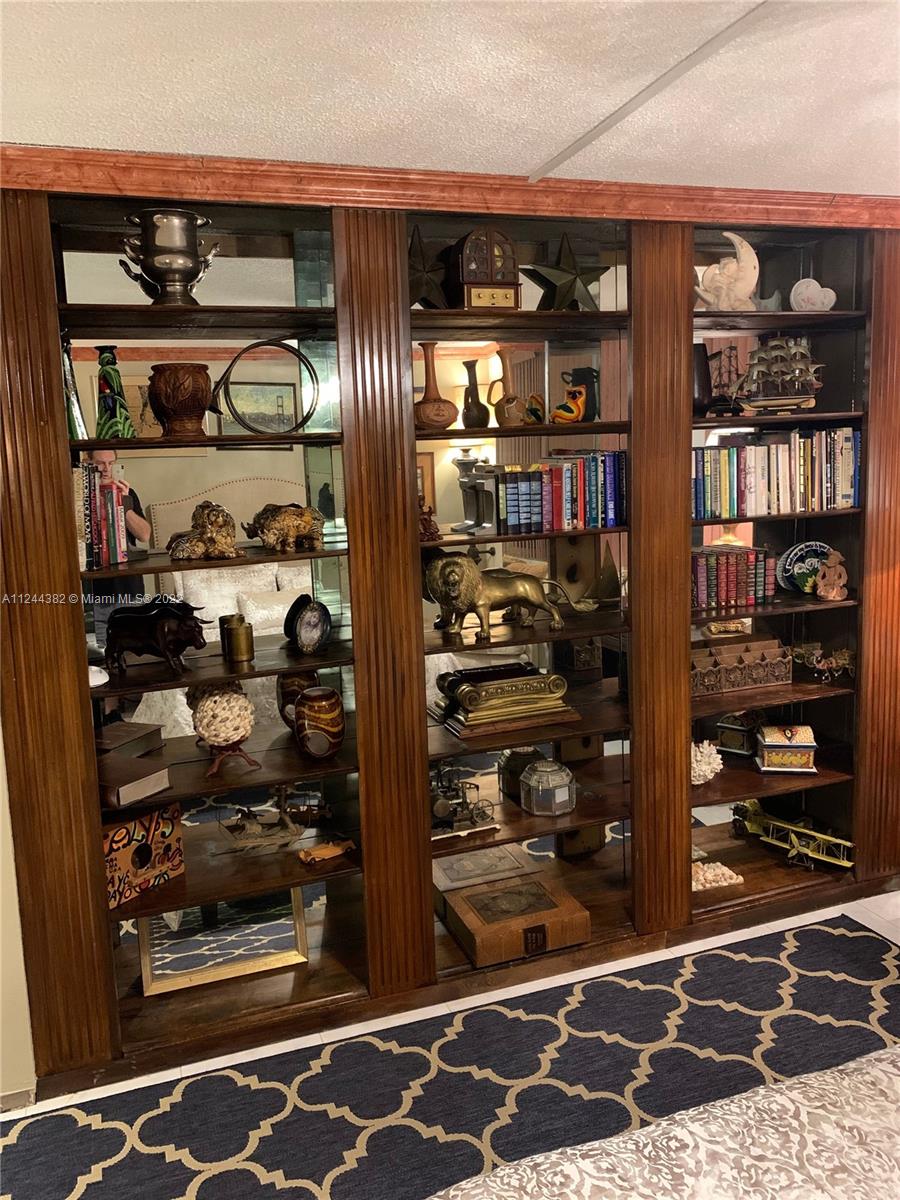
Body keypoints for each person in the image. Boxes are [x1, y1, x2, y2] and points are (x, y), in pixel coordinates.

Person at [84, 449, 152, 645]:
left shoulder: (128, 493)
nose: (106, 469)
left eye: (111, 463)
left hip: (128, 588)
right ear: (88, 463)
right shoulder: (81, 498)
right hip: (95, 592)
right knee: (103, 654)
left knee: (134, 652)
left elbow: (144, 535)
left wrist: (123, 503)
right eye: (99, 463)